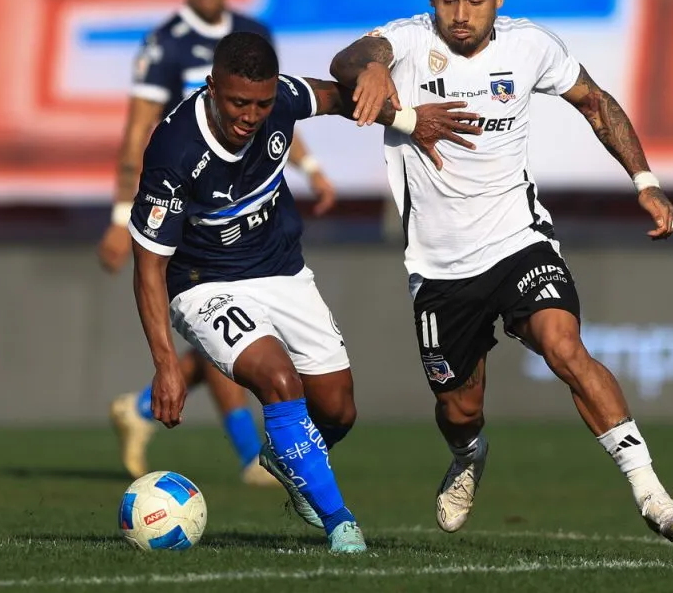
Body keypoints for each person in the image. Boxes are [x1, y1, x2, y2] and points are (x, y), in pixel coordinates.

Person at [329, 0, 673, 541]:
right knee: (459, 408)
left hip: (516, 239)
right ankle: (469, 454)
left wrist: (645, 182)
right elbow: (354, 56)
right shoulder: (408, 42)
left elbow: (597, 104)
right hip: (440, 266)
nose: (462, 14)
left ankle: (650, 491)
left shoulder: (530, 46)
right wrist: (368, 65)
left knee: (564, 345)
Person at [128, 31, 478, 552]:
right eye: (238, 102)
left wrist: (408, 121)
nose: (251, 115)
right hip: (205, 284)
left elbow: (342, 97)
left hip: (283, 271)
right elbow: (148, 265)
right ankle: (341, 523)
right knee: (278, 380)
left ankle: (283, 457)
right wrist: (165, 365)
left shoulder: (285, 100)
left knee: (338, 411)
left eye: (262, 103)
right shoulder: (175, 147)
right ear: (211, 87)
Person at [97, 0, 337, 485]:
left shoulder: (251, 39)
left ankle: (137, 412)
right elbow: (139, 131)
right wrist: (119, 214)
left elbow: (269, 112)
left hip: (247, 209)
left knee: (230, 338)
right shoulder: (165, 46)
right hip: (188, 212)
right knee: (223, 328)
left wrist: (310, 166)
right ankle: (253, 454)